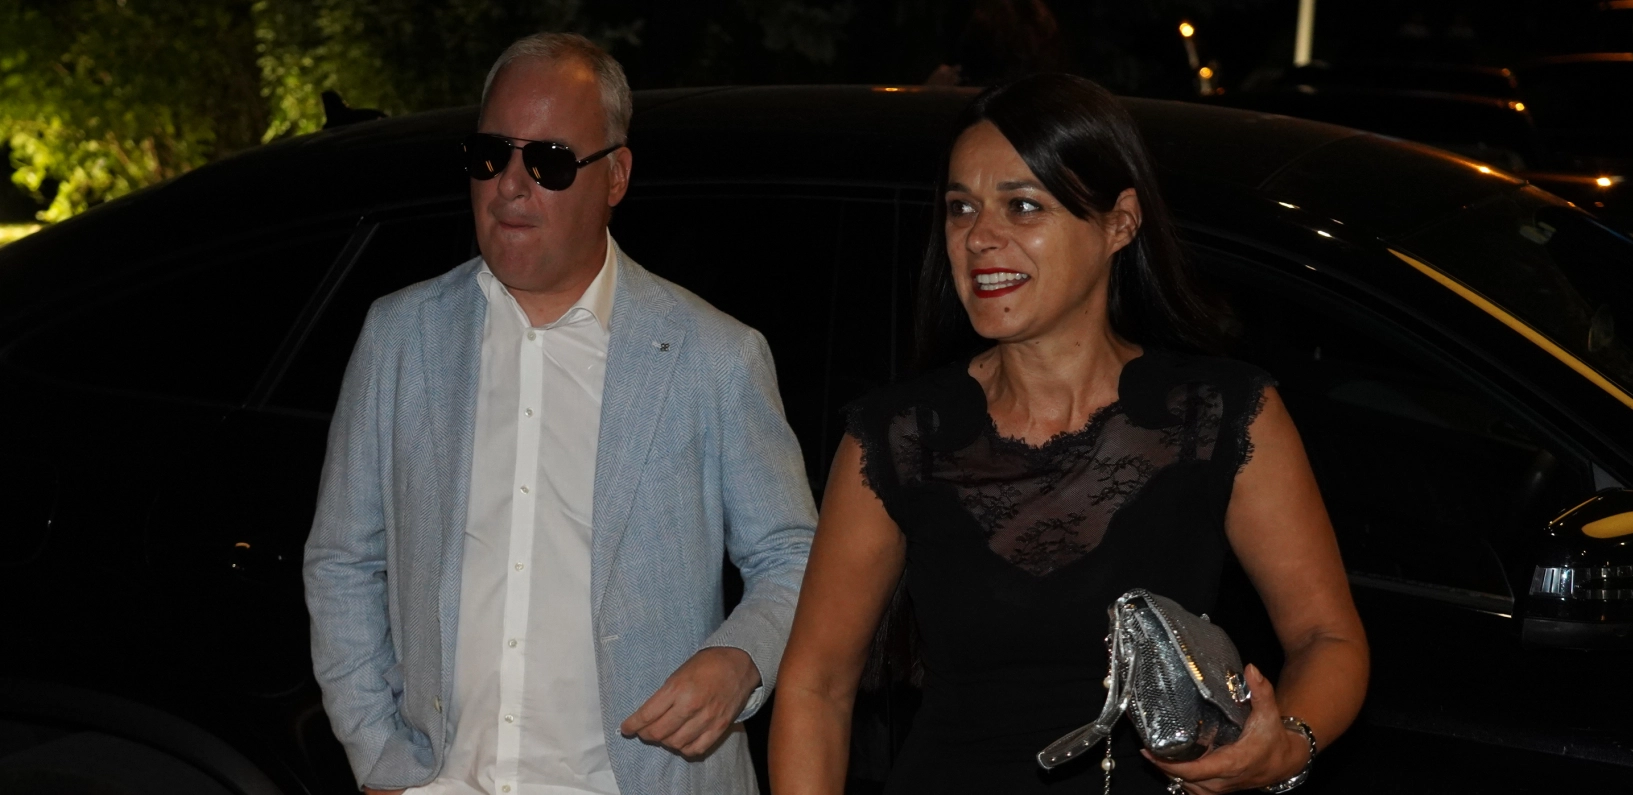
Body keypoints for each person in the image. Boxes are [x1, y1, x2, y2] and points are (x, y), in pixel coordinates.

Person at [769, 74, 1368, 794]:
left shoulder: (1218, 415)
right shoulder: (900, 435)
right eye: (961, 207)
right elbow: (815, 686)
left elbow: (1327, 637)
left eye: (1022, 205)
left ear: (1120, 223)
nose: (979, 237)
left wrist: (1286, 745)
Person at [303, 33, 815, 795]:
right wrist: (377, 753)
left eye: (547, 161)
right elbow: (343, 559)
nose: (510, 186)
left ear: (616, 175)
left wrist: (740, 658)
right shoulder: (401, 336)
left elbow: (792, 555)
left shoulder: (713, 355)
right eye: (489, 156)